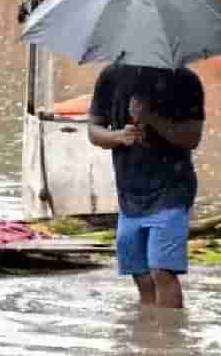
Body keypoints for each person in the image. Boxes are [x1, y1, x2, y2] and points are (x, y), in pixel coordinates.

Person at [87, 64, 205, 309]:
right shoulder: (111, 77)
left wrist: (152, 119)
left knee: (162, 270)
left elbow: (192, 137)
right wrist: (118, 136)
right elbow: (94, 130)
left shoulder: (185, 80)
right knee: (139, 273)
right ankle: (150, 335)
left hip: (172, 190)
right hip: (129, 193)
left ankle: (169, 342)